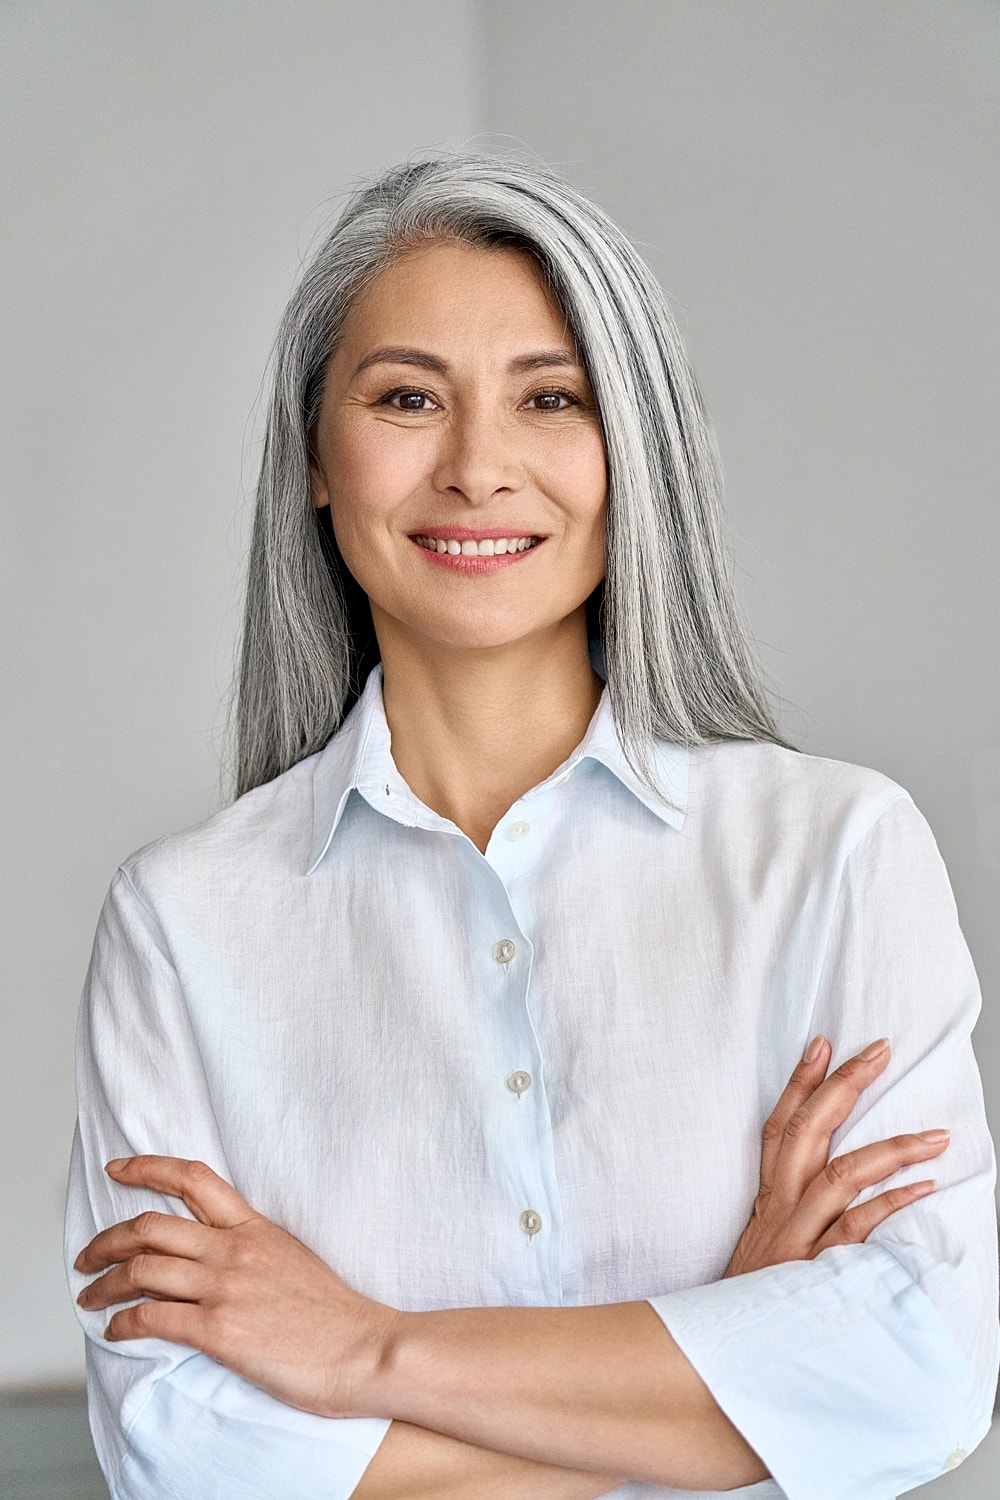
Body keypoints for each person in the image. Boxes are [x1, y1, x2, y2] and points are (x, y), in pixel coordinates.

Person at [65, 153, 997, 1500]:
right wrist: (723, 1361)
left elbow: (920, 1380)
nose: (478, 466)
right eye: (405, 399)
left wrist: (366, 1352)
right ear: (317, 463)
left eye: (551, 398)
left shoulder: (840, 854)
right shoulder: (182, 923)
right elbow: (185, 1451)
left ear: (633, 455)